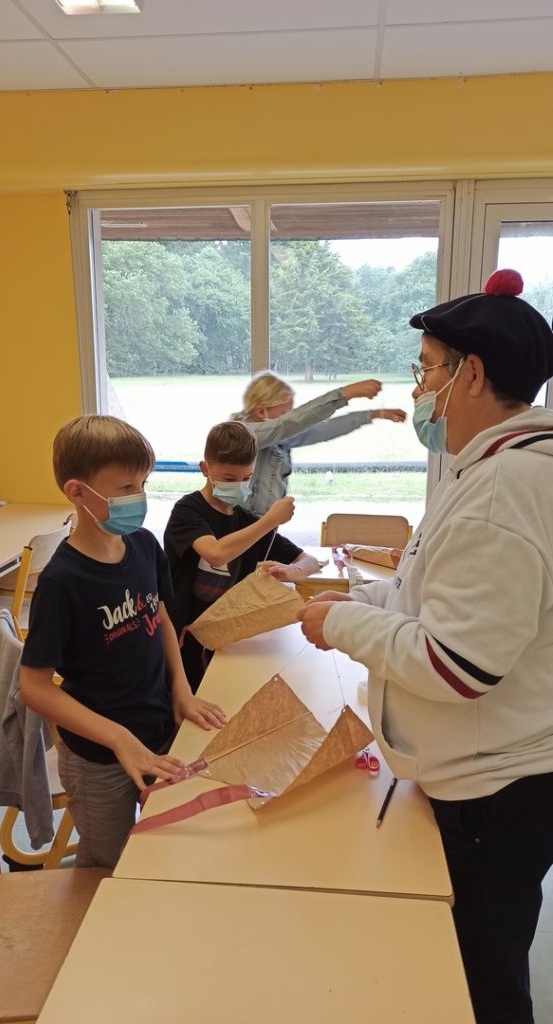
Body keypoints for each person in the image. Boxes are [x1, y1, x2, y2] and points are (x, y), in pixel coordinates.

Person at [296, 269, 553, 1024]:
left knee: (478, 973)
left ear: (471, 375)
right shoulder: (494, 469)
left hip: (496, 791)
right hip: (494, 773)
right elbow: (427, 598)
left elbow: (457, 664)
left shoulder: (504, 488)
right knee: (475, 954)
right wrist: (354, 602)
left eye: (427, 369)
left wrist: (342, 627)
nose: (418, 390)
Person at [20, 414, 226, 869]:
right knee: (110, 866)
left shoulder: (145, 546)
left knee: (163, 849)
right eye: (126, 487)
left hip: (160, 731)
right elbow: (33, 687)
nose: (140, 498)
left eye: (143, 484)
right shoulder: (61, 582)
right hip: (99, 759)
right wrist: (118, 738)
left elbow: (162, 617)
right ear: (78, 493)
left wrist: (181, 689)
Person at [164, 420, 319, 691]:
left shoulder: (247, 522)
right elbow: (215, 553)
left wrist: (289, 570)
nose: (239, 485)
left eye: (246, 478)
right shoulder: (187, 511)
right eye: (229, 479)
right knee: (191, 697)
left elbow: (310, 561)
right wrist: (270, 520)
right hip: (182, 637)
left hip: (227, 637)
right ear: (205, 469)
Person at [232, 371, 406, 514]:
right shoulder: (243, 434)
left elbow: (323, 429)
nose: (292, 418)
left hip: (265, 525)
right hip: (243, 527)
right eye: (285, 413)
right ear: (261, 412)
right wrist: (345, 393)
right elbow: (289, 424)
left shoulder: (281, 438)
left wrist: (373, 415)